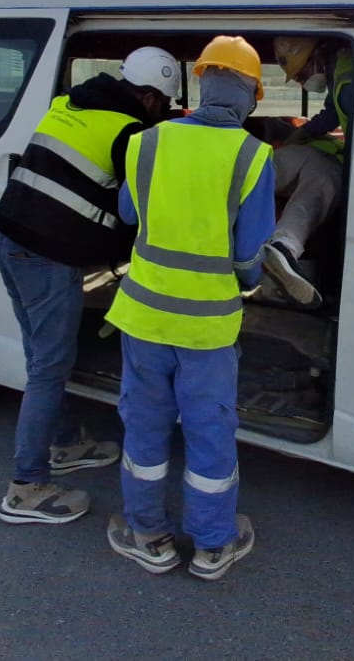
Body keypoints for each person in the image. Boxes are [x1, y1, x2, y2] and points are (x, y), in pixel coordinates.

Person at [105, 35, 275, 581]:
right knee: (208, 432)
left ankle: (148, 535)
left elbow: (129, 213)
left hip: (144, 316)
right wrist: (244, 281)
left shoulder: (146, 141)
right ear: (251, 93)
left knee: (146, 429)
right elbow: (250, 254)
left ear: (201, 80)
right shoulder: (253, 154)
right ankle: (211, 546)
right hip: (208, 327)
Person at [0, 47, 180, 526]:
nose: (167, 111)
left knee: (41, 356)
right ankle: (25, 487)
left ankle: (67, 443)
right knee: (49, 368)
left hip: (9, 239)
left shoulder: (69, 104)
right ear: (148, 95)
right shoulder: (129, 133)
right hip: (47, 257)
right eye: (165, 102)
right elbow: (144, 204)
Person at [255, 37, 354, 309]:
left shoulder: (348, 77)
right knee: (311, 196)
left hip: (308, 158)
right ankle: (284, 247)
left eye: (301, 74)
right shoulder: (346, 70)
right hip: (323, 161)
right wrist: (304, 132)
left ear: (316, 57)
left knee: (252, 180)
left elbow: (337, 114)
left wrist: (300, 134)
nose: (302, 82)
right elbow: (334, 114)